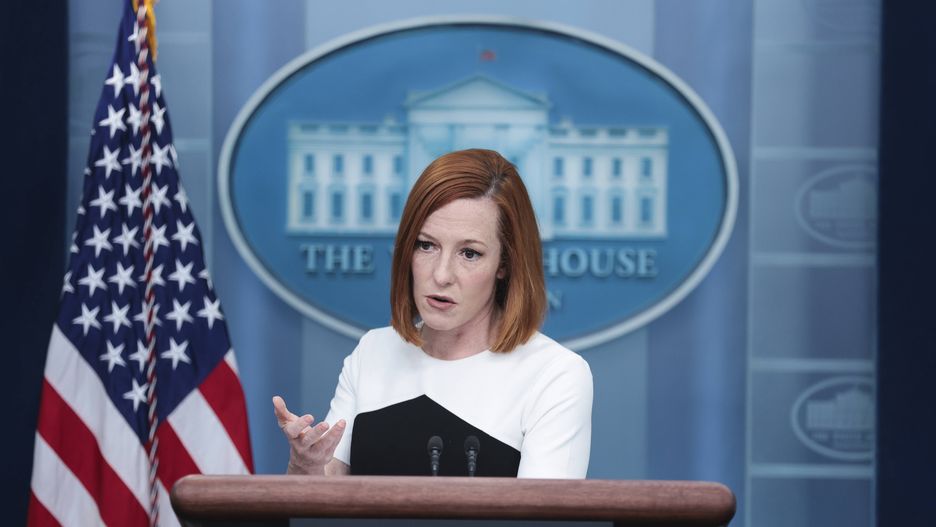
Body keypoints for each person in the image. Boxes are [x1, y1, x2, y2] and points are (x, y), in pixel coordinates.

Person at [273, 149, 592, 478]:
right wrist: (305, 464)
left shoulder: (555, 374)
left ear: (505, 265)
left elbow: (547, 517)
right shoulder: (373, 351)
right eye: (426, 245)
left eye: (469, 253)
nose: (441, 274)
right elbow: (323, 499)